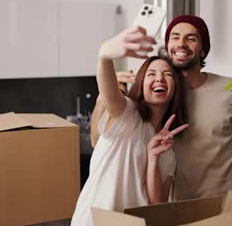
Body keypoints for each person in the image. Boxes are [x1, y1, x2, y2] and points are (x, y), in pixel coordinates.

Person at [91, 15, 232, 202]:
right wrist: (104, 97)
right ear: (168, 48)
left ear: (202, 50)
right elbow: (99, 140)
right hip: (179, 205)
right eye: (175, 37)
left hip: (226, 202)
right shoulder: (160, 94)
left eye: (191, 38)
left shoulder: (231, 89)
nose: (181, 43)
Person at [71, 26, 189, 225]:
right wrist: (105, 55)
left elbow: (157, 204)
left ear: (175, 89)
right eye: (151, 74)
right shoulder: (128, 113)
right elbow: (109, 94)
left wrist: (153, 158)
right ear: (140, 83)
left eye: (167, 75)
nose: (159, 78)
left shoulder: (168, 151)